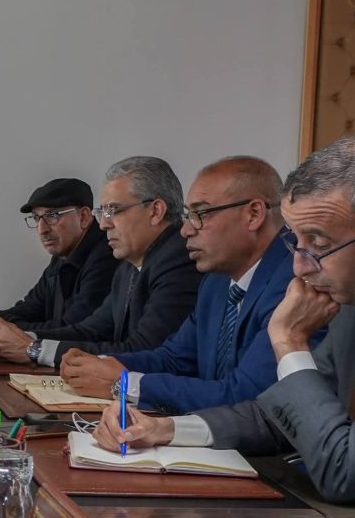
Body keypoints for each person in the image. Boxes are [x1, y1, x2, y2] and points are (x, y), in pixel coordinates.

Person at [92, 137, 355, 504]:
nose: (299, 266)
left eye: (319, 243)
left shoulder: (319, 298)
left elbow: (343, 473)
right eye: (296, 242)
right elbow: (277, 413)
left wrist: (289, 342)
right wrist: (165, 429)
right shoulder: (345, 307)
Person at [61, 156, 323, 414]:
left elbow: (246, 396)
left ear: (253, 214)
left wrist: (125, 384)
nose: (185, 230)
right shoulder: (216, 281)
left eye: (200, 214)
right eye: (188, 215)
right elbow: (173, 359)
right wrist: (100, 364)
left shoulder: (296, 282)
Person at [0, 156, 202, 367]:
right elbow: (91, 330)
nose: (104, 224)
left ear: (156, 211)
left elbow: (144, 351)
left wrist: (33, 349)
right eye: (104, 212)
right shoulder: (129, 266)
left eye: (114, 210)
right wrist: (20, 338)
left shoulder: (179, 261)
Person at [0, 178, 119, 333]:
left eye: (52, 215)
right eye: (37, 218)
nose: (42, 229)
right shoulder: (62, 256)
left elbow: (71, 330)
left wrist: (1, 327)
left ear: (83, 217)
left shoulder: (106, 257)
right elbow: (30, 309)